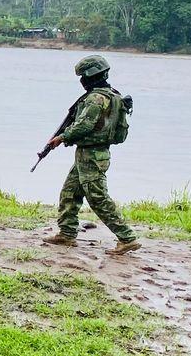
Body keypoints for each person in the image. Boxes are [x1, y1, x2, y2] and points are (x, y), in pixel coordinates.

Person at [43, 55, 141, 255]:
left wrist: (61, 137)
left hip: (92, 155)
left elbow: (84, 125)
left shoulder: (96, 98)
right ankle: (67, 233)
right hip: (90, 153)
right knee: (70, 192)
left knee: (97, 198)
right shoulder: (112, 94)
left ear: (89, 76)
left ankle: (126, 237)